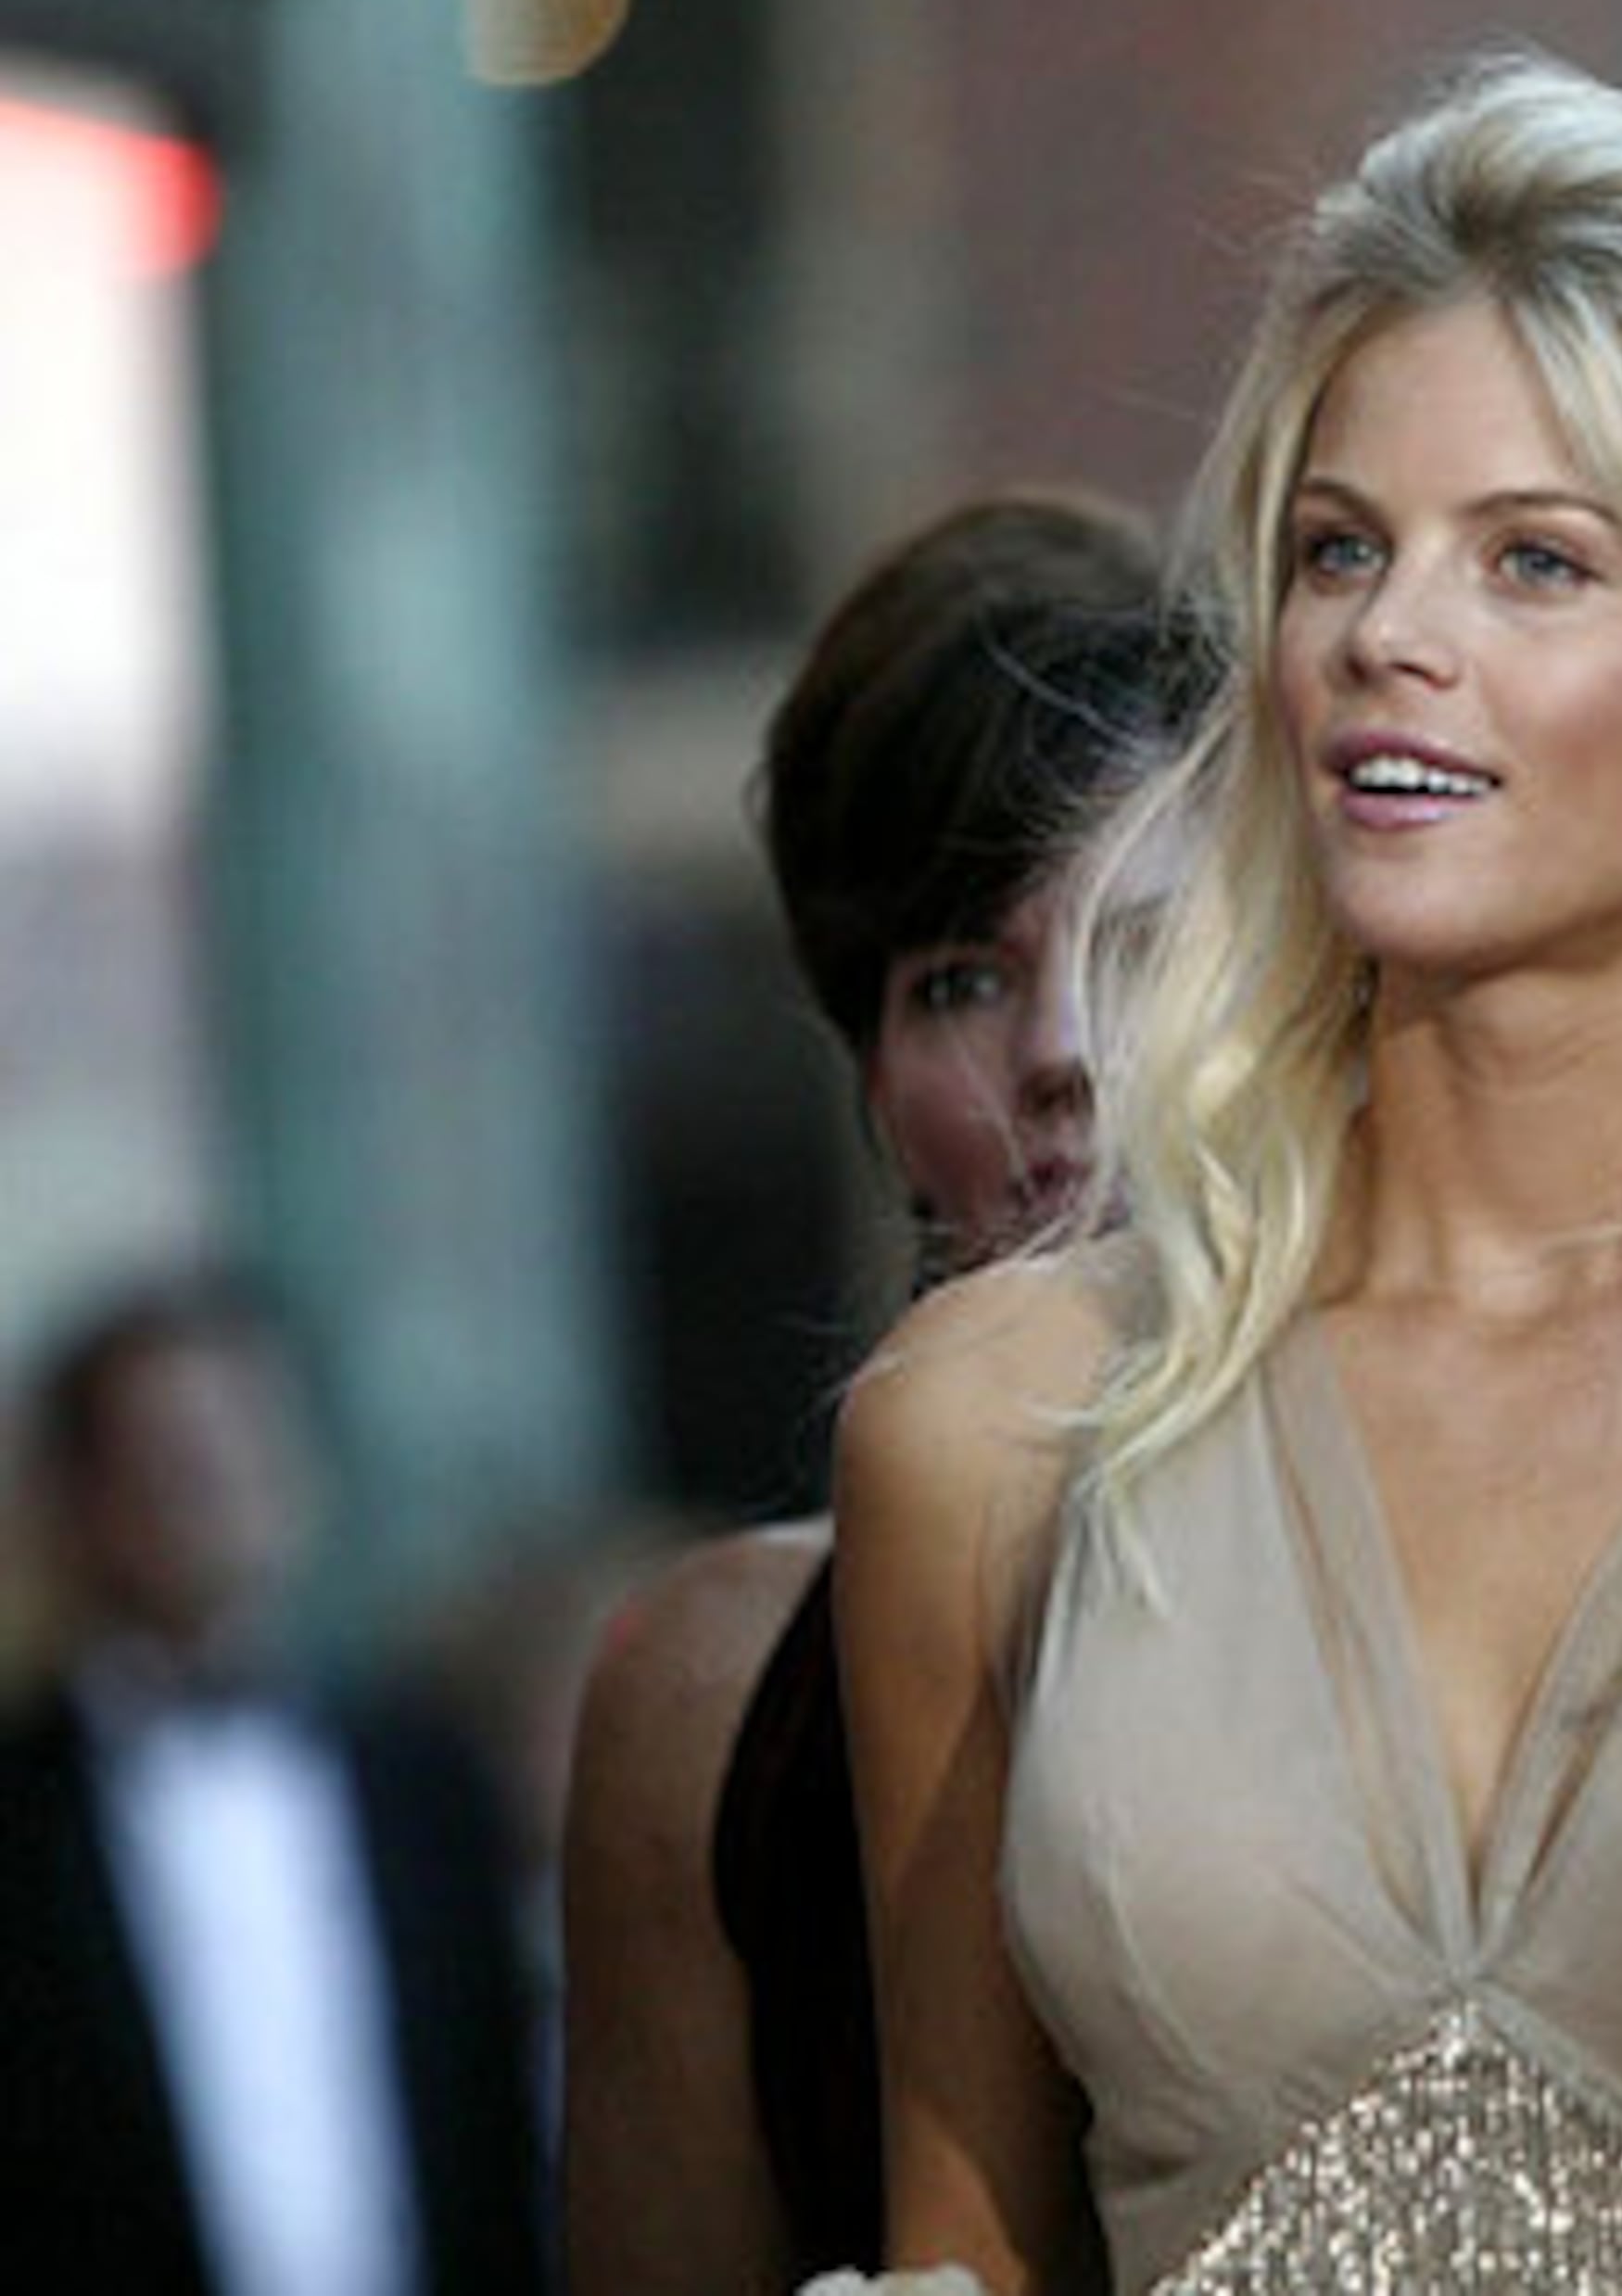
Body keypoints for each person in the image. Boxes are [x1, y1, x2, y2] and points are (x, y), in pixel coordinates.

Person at [830, 52, 1622, 2294]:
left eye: (1534, 559)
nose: (1383, 636)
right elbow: (959, 2257)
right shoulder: (993, 1431)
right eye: (1339, 547)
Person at [561, 494, 1194, 2294]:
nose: (1063, 1051)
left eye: (1145, 944)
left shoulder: (1519, 1536)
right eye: (967, 977)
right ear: (876, 1082)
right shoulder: (711, 1696)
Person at [0, 1270, 548, 2295]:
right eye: (168, 1455)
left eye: (244, 1441)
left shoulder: (425, 1781)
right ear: (82, 1496)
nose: (214, 1485)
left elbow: (493, 2117)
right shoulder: (22, 1817)